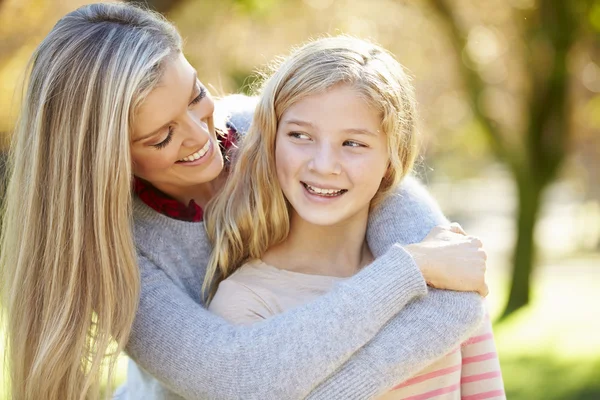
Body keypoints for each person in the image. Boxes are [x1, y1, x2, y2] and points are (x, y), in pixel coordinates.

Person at [0, 3, 486, 400]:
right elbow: (234, 380)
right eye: (162, 136)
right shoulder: (111, 252)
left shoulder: (285, 135)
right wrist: (403, 273)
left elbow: (457, 296)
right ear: (105, 160)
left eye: (194, 97)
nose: (200, 136)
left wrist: (426, 270)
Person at [206, 36, 505, 399]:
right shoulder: (247, 301)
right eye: (300, 135)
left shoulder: (447, 265)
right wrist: (407, 268)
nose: (323, 165)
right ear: (271, 142)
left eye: (353, 143)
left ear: (392, 159)